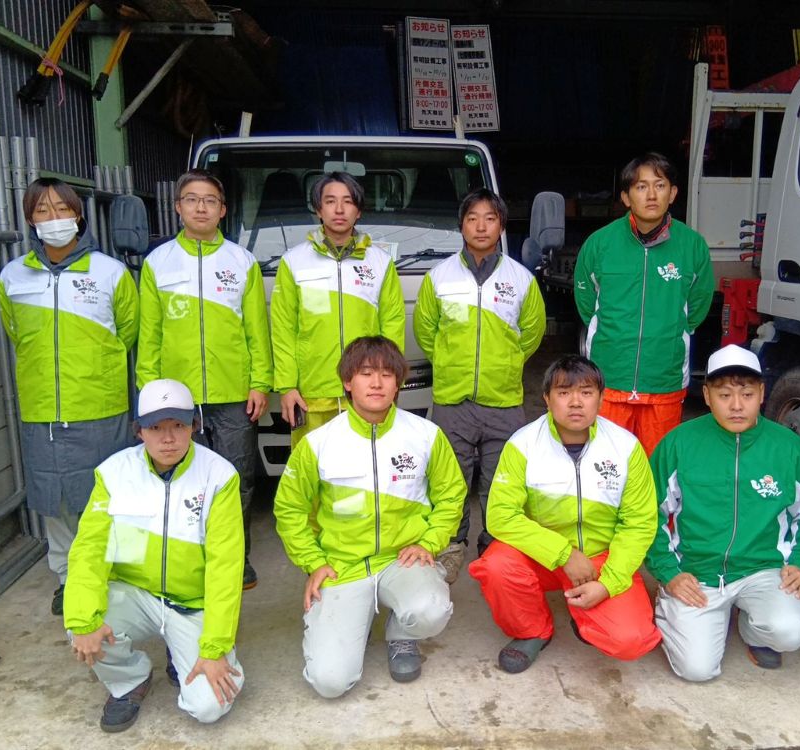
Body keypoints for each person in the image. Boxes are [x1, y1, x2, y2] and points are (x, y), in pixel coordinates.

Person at [274, 336, 465, 698]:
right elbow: (289, 508)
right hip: (342, 566)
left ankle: (401, 633)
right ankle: (348, 625)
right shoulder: (318, 443)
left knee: (431, 610)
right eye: (365, 373)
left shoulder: (425, 435)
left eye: (387, 374)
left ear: (398, 383)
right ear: (348, 381)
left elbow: (451, 495)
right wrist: (313, 561)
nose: (377, 383)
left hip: (401, 560)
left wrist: (429, 542)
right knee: (330, 682)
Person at [645, 344, 800, 681]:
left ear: (761, 393)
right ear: (707, 396)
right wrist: (669, 572)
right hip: (697, 572)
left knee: (789, 631)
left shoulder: (791, 450)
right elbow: (648, 515)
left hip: (764, 569)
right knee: (696, 669)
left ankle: (754, 629)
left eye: (747, 394)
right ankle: (675, 606)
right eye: (724, 395)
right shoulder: (679, 444)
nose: (736, 405)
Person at [64, 378, 245, 732]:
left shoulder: (219, 477)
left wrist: (214, 648)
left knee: (210, 706)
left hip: (191, 602)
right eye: (156, 427)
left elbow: (226, 567)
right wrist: (84, 620)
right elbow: (89, 549)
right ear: (139, 431)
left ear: (194, 426)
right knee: (81, 623)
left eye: (178, 425)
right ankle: (130, 679)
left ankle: (183, 651)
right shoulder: (113, 473)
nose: (168, 438)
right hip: (135, 594)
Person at [0, 178, 138, 616]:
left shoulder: (110, 272)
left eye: (61, 209)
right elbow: (16, 334)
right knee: (54, 500)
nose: (53, 218)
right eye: (42, 210)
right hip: (43, 408)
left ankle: (111, 573)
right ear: (30, 219)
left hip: (101, 405)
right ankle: (67, 577)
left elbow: (128, 334)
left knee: (105, 495)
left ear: (78, 215)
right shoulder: (13, 277)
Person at [468, 355, 661, 673]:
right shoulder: (523, 444)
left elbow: (639, 523)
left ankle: (588, 614)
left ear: (601, 398)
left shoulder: (625, 447)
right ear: (546, 398)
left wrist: (608, 583)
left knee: (631, 640)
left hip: (602, 559)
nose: (575, 402)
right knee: (496, 566)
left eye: (586, 392)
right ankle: (533, 631)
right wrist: (563, 554)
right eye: (563, 392)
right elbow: (500, 515)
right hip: (542, 555)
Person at [136, 169, 272, 589]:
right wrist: (149, 392)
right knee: (183, 478)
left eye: (210, 200)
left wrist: (260, 383)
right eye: (192, 199)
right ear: (178, 207)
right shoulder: (157, 263)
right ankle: (191, 560)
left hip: (233, 393)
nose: (201, 207)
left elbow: (256, 330)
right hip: (176, 398)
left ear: (223, 210)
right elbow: (149, 335)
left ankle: (236, 559)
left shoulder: (241, 262)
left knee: (235, 478)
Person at [413, 187, 547, 583]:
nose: (481, 226)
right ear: (461, 226)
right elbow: (426, 331)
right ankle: (453, 544)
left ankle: (495, 544)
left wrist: (506, 363)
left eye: (490, 218)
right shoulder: (438, 277)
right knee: (451, 478)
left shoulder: (520, 279)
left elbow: (532, 333)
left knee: (499, 479)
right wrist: (449, 362)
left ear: (501, 225)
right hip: (452, 399)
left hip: (502, 399)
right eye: (473, 218)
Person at [574, 152, 714, 455]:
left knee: (658, 466)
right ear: (626, 197)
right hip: (610, 379)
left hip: (663, 380)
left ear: (673, 193)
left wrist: (670, 333)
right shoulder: (600, 244)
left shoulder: (692, 246)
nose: (651, 195)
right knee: (606, 464)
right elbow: (587, 304)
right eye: (641, 187)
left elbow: (698, 305)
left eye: (659, 185)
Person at [270, 171, 404, 446]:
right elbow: (283, 329)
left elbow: (392, 324)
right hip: (311, 392)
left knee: (368, 463)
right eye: (330, 201)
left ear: (359, 211)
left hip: (367, 389)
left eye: (348, 201)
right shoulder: (294, 261)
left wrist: (390, 380)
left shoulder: (380, 262)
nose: (339, 209)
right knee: (312, 465)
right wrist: (287, 386)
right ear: (319, 210)